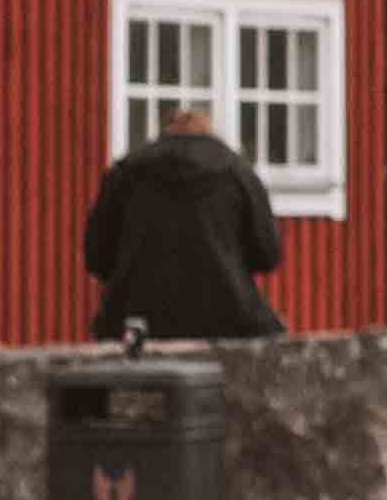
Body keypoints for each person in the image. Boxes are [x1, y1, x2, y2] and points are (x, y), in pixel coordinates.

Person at [82, 99, 284, 342]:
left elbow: (96, 258)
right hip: (229, 318)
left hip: (136, 318)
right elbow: (268, 255)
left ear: (164, 132)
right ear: (208, 132)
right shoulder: (237, 173)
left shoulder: (125, 172)